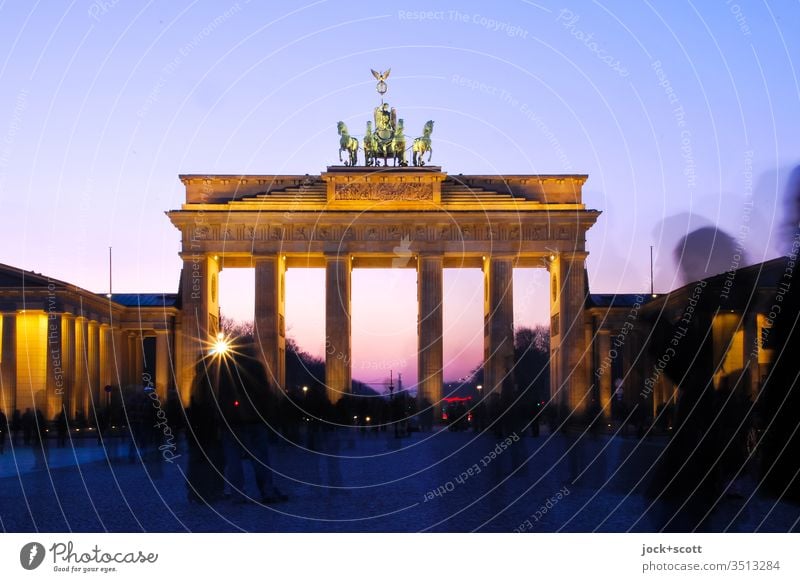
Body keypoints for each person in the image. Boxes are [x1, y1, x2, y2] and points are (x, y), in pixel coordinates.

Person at [218, 344, 287, 504]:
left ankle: (237, 494)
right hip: (254, 419)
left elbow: (219, 394)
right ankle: (267, 491)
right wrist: (269, 417)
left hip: (231, 420)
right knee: (260, 457)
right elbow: (265, 393)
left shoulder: (225, 366)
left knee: (233, 459)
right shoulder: (255, 366)